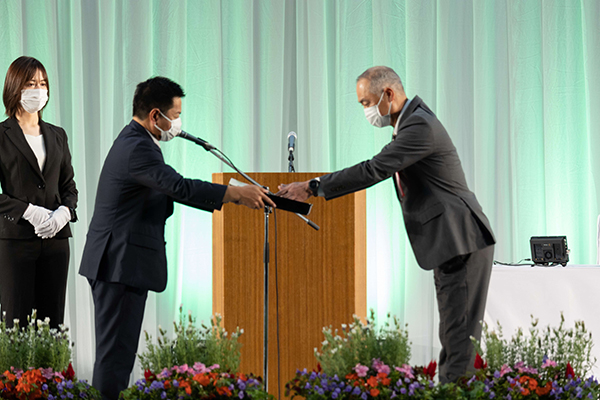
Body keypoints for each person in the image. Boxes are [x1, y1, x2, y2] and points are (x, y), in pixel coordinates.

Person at [277, 66, 496, 383]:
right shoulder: (411, 122)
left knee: (459, 340)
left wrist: (313, 186)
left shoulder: (419, 126)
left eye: (367, 103)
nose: (366, 111)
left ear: (388, 94)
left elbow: (373, 169)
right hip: (453, 240)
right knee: (454, 335)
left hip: (460, 239)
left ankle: (455, 392)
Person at [79, 76, 275, 400]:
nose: (178, 124)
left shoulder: (136, 141)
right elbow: (178, 186)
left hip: (120, 262)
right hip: (117, 263)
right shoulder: (137, 147)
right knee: (114, 359)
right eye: (176, 115)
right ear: (155, 115)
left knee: (118, 356)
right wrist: (235, 194)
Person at [0, 56, 78, 329]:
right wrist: (28, 212)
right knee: (15, 324)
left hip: (56, 242)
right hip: (16, 242)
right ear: (15, 87)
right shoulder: (1, 135)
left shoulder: (58, 135)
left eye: (42, 83)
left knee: (52, 324)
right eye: (31, 83)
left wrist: (64, 212)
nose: (38, 90)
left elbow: (68, 186)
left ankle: (52, 362)